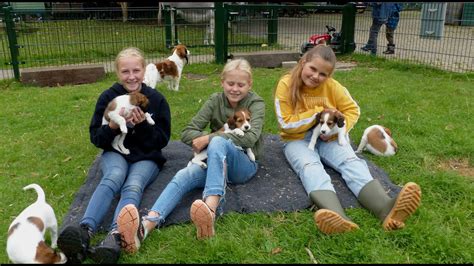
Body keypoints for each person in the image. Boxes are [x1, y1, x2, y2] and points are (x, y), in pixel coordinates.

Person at [115, 58, 265, 253]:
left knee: (218, 141)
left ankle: (209, 210)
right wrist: (202, 139)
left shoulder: (256, 103)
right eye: (230, 83)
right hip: (214, 161)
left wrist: (209, 138)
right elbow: (188, 132)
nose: (235, 89)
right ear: (222, 82)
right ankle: (145, 227)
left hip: (244, 164)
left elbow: (250, 139)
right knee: (182, 176)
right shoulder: (215, 100)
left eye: (241, 84)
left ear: (249, 84)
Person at [274, 44, 421, 235]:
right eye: (312, 69)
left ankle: (386, 209)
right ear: (303, 63)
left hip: (331, 136)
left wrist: (337, 132)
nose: (316, 76)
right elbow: (285, 123)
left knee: (350, 160)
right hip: (297, 139)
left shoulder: (333, 87)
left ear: (329, 76)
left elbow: (353, 110)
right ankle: (336, 217)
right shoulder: (286, 84)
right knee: (310, 166)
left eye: (323, 74)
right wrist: (317, 113)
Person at [57, 47, 171, 264]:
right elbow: (96, 138)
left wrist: (143, 126)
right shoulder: (108, 97)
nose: (131, 76)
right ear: (118, 73)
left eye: (136, 70)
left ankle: (115, 236)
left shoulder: (155, 99)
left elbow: (162, 140)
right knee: (113, 176)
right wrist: (111, 126)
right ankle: (85, 231)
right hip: (115, 152)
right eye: (125, 71)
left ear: (144, 70)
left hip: (147, 156)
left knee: (134, 184)